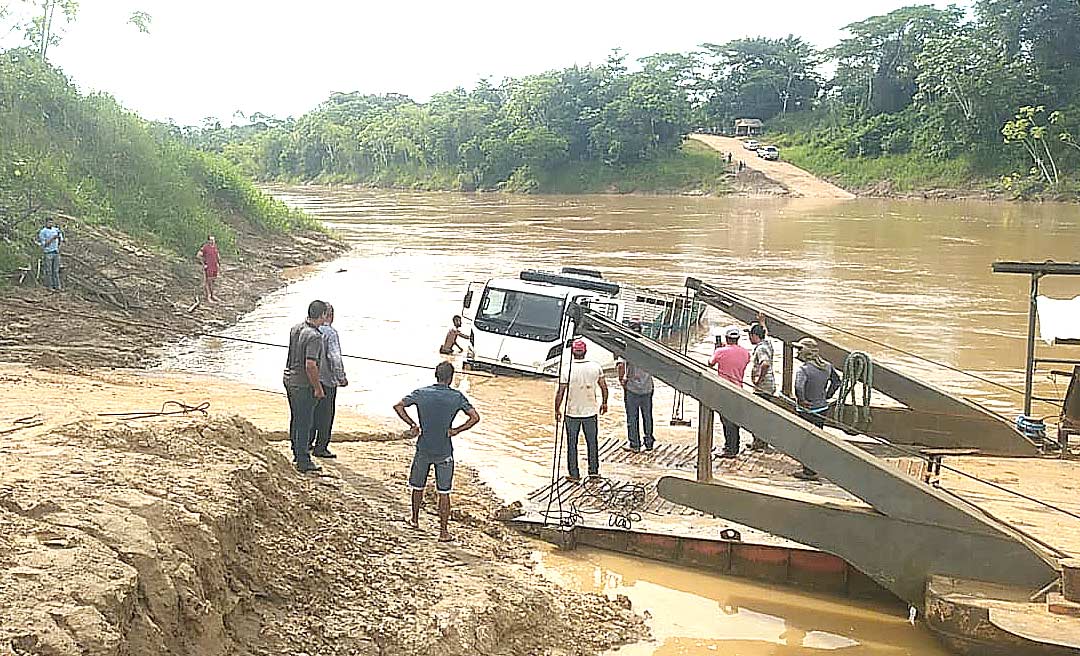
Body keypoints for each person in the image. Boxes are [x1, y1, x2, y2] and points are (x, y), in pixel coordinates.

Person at [394, 361, 480, 542]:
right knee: (444, 492)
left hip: (423, 446)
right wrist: (456, 430)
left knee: (418, 486)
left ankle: (415, 520)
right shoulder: (456, 397)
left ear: (436, 375)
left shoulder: (421, 392)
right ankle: (443, 532)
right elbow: (475, 417)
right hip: (444, 449)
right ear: (451, 378)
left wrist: (412, 425)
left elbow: (398, 406)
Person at [283, 300, 328, 473]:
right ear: (322, 315)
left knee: (296, 418)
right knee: (305, 422)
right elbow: (310, 365)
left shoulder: (296, 328)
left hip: (289, 379)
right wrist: (317, 387)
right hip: (303, 384)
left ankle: (296, 451)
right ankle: (303, 459)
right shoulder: (315, 336)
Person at [554, 340, 608, 482]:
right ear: (585, 352)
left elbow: (560, 392)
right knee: (592, 442)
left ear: (572, 352)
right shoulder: (595, 367)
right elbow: (604, 387)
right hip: (590, 412)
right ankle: (593, 473)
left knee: (572, 444)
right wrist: (604, 403)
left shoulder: (567, 369)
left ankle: (574, 474)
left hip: (572, 413)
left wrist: (557, 409)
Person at [792, 337, 841, 481]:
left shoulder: (804, 369)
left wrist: (802, 400)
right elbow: (837, 382)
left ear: (807, 351)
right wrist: (827, 395)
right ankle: (813, 466)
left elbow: (798, 387)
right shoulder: (827, 366)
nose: (798, 352)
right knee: (817, 438)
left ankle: (808, 471)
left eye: (800, 349)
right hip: (822, 408)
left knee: (806, 440)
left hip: (806, 410)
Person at [310, 303, 347, 459]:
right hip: (327, 380)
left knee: (312, 412)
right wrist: (341, 377)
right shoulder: (330, 333)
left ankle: (307, 443)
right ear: (329, 315)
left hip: (311, 379)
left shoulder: (308, 329)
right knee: (326, 416)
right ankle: (321, 447)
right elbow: (334, 357)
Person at [709, 326, 751, 457]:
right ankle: (735, 447)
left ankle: (729, 449)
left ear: (727, 338)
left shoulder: (721, 352)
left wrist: (718, 350)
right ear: (737, 338)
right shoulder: (745, 353)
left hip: (724, 390)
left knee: (726, 421)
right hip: (739, 390)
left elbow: (710, 363)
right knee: (735, 421)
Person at [617, 322, 655, 453]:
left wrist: (621, 379)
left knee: (632, 417)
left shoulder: (628, 347)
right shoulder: (648, 346)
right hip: (648, 387)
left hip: (632, 388)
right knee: (647, 415)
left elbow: (621, 365)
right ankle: (649, 443)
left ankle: (635, 444)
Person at [748, 322, 775, 451]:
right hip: (769, 385)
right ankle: (760, 441)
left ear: (754, 336)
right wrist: (762, 322)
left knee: (755, 415)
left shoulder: (760, 349)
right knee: (762, 414)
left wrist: (759, 379)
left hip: (763, 387)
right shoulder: (767, 343)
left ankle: (759, 442)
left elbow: (765, 364)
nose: (749, 339)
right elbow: (766, 333)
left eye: (750, 336)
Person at [36, 217, 64, 291]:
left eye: (51, 222)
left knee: (56, 270)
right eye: (49, 222)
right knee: (49, 271)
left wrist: (59, 247)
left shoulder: (56, 230)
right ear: (46, 223)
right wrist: (52, 238)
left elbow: (61, 239)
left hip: (56, 252)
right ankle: (50, 286)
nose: (50, 224)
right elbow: (44, 244)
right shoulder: (43, 232)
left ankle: (58, 286)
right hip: (48, 252)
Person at [196, 235, 221, 303]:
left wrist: (219, 263)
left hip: (214, 266)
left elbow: (217, 255)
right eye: (211, 240)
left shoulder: (215, 247)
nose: (212, 241)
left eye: (213, 240)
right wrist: (204, 264)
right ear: (208, 240)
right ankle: (208, 296)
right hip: (208, 266)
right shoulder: (205, 247)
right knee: (208, 281)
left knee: (213, 281)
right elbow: (198, 255)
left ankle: (213, 295)